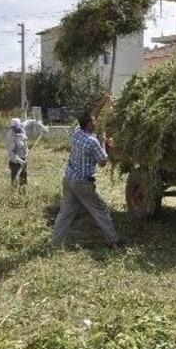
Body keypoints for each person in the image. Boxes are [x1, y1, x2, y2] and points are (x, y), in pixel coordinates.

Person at [49, 98, 120, 248]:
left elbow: (90, 115)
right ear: (88, 124)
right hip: (82, 184)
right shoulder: (92, 141)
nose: (96, 123)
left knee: (65, 214)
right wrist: (105, 144)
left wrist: (100, 105)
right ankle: (113, 241)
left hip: (69, 180)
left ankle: (54, 243)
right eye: (94, 121)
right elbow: (102, 162)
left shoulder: (76, 132)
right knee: (101, 210)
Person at [7, 118, 28, 191]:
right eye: (15, 128)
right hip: (15, 161)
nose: (17, 129)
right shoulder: (11, 136)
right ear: (12, 127)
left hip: (23, 158)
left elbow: (28, 122)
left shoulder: (22, 129)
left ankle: (23, 191)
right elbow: (11, 152)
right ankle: (14, 192)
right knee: (15, 177)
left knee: (23, 175)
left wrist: (40, 124)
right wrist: (19, 160)